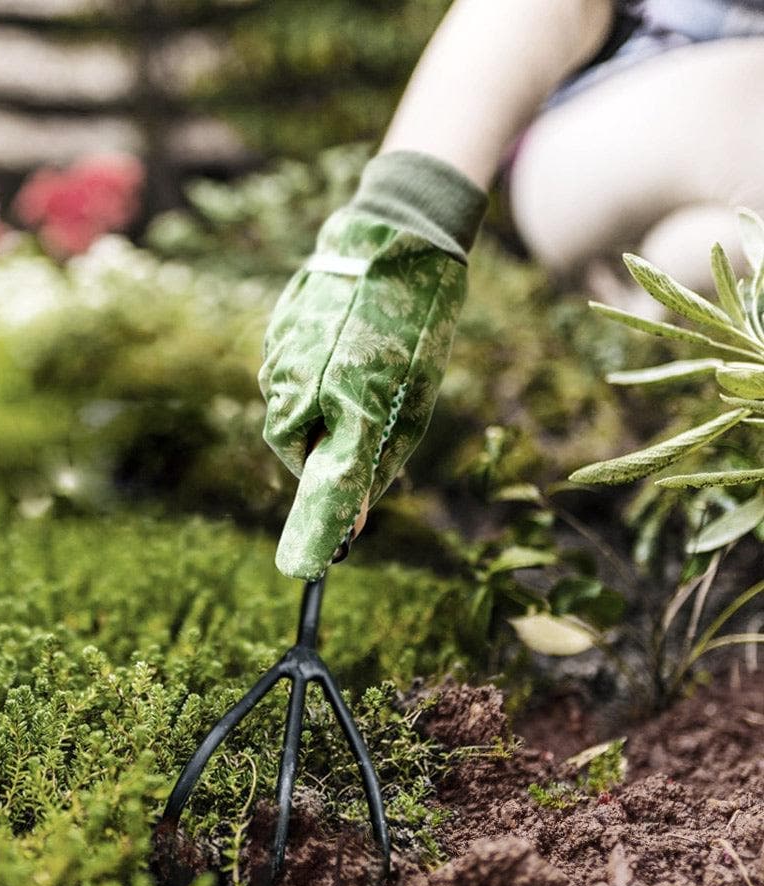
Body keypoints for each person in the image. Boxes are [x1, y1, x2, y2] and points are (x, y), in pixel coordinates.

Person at [259, 0, 764, 581]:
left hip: (616, 187)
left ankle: (671, 282)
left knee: (705, 251)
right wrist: (394, 240)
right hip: (638, 110)